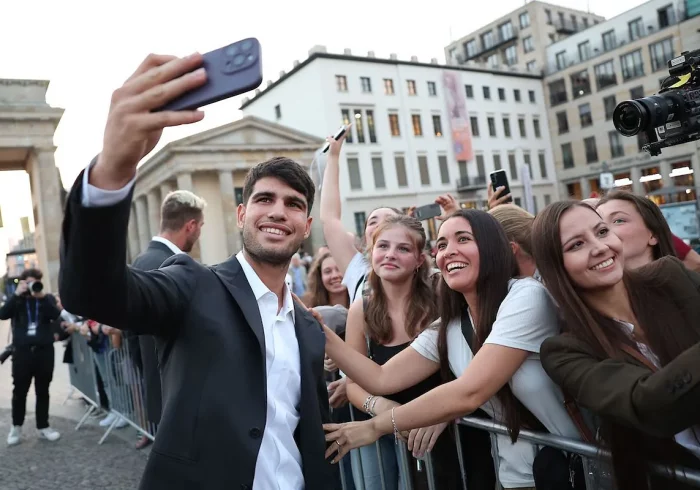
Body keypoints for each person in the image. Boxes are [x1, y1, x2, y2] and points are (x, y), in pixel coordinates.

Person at [59, 52, 338, 490]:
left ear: (305, 226)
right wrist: (113, 169)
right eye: (265, 200)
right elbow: (92, 292)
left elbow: (303, 430)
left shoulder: (307, 327)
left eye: (294, 205)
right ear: (242, 214)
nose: (278, 212)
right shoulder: (193, 285)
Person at [321, 210, 580, 489]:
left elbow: (469, 392)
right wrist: (316, 330)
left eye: (463, 239)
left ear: (493, 248)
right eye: (442, 245)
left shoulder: (526, 296)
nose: (449, 252)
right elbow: (380, 377)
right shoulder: (451, 325)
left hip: (577, 466)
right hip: (517, 475)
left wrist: (375, 426)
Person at [531, 200, 700, 490]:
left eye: (602, 231)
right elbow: (646, 405)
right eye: (576, 245)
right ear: (555, 268)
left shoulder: (669, 276)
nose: (599, 247)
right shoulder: (564, 351)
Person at [131, 189, 206, 449]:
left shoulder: (140, 260)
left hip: (158, 390)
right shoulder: (175, 266)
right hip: (184, 397)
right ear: (191, 225)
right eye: (201, 227)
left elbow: (132, 335)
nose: (200, 234)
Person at [0, 268, 62, 445]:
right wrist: (16, 295)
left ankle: (43, 426)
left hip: (44, 352)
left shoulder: (46, 299)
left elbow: (56, 315)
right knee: (19, 391)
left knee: (43, 390)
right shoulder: (18, 300)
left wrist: (41, 297)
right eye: (28, 282)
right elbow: (2, 314)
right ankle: (16, 427)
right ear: (22, 283)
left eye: (35, 282)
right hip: (22, 353)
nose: (32, 286)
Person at [596, 191, 676, 269]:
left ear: (653, 235)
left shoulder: (682, 280)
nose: (603, 231)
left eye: (618, 221)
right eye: (599, 228)